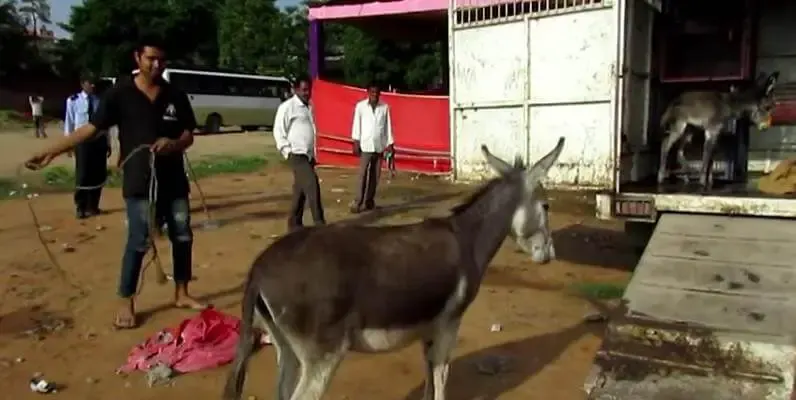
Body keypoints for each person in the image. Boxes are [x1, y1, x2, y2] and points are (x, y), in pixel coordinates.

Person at [24, 38, 206, 329]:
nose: (157, 65)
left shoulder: (175, 94)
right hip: (138, 179)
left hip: (173, 179)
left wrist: (174, 144)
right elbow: (90, 129)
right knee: (138, 241)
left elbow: (189, 134)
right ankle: (126, 300)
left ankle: (182, 293)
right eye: (151, 59)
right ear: (138, 58)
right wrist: (51, 151)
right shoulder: (119, 93)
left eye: (162, 60)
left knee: (182, 235)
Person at [273, 78, 326, 232]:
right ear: (296, 90)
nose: (306, 93)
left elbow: (312, 131)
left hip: (308, 155)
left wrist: (314, 153)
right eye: (303, 90)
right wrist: (286, 151)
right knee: (312, 184)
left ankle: (294, 223)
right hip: (296, 154)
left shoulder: (309, 107)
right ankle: (320, 223)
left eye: (308, 89)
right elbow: (278, 131)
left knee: (300, 190)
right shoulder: (287, 107)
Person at [65, 76, 111, 219]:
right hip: (82, 141)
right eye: (89, 83)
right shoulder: (73, 101)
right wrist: (68, 143)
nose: (92, 86)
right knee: (83, 173)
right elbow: (69, 123)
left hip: (99, 140)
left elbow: (105, 125)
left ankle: (93, 206)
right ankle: (81, 206)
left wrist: (108, 143)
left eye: (94, 83)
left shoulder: (100, 100)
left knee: (98, 173)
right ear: (82, 84)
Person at [350, 83, 394, 213]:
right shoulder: (361, 107)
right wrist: (355, 141)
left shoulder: (384, 107)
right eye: (372, 92)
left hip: (379, 145)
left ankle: (369, 201)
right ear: (368, 92)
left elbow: (388, 127)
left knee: (375, 176)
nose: (374, 95)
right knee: (362, 175)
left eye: (377, 93)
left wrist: (390, 144)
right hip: (365, 145)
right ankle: (358, 201)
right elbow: (356, 124)